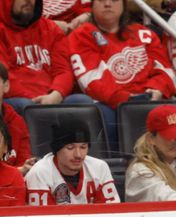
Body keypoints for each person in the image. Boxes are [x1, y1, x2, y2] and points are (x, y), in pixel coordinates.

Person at [69, 0, 175, 151]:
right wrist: (127, 99)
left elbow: (165, 69)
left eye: (114, 0)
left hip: (149, 98)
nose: (107, 4)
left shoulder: (144, 34)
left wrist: (156, 90)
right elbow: (92, 79)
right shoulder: (82, 36)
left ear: (124, 4)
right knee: (106, 114)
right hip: (111, 104)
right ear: (91, 5)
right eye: (101, 0)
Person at [0, 0, 88, 113]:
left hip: (49, 98)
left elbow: (63, 70)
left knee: (82, 102)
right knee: (26, 106)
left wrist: (56, 94)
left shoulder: (51, 28)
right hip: (11, 100)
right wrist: (36, 100)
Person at [25, 116, 121, 204]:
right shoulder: (39, 173)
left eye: (83, 147)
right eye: (70, 148)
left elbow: (111, 214)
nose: (78, 155)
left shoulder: (100, 167)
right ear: (57, 149)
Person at [125, 104, 176, 201]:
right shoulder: (140, 171)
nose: (174, 141)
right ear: (151, 139)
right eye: (169, 136)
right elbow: (168, 200)